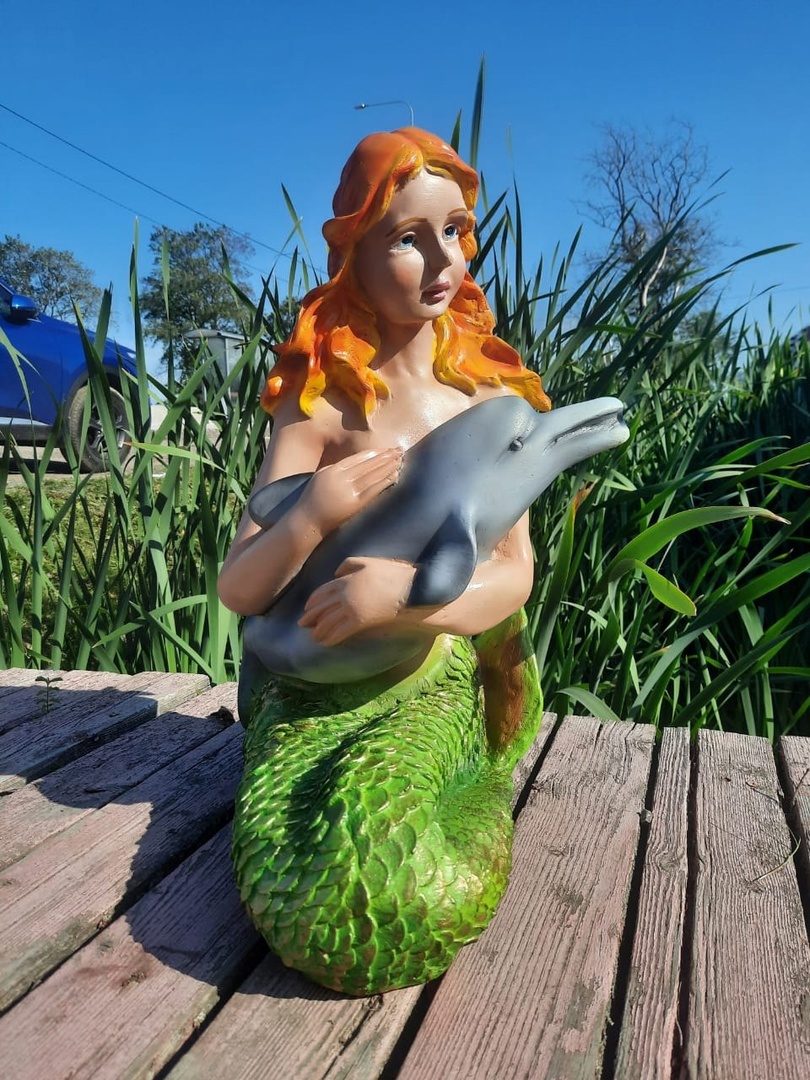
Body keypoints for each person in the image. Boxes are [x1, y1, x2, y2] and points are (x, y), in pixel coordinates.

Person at [218, 128, 550, 995]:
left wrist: (405, 599)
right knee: (302, 882)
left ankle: (476, 780)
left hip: (427, 668)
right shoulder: (322, 404)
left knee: (386, 888)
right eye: (408, 238)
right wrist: (310, 514)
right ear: (354, 256)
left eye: (457, 230)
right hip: (308, 683)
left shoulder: (489, 398)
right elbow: (241, 588)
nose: (444, 260)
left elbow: (515, 572)